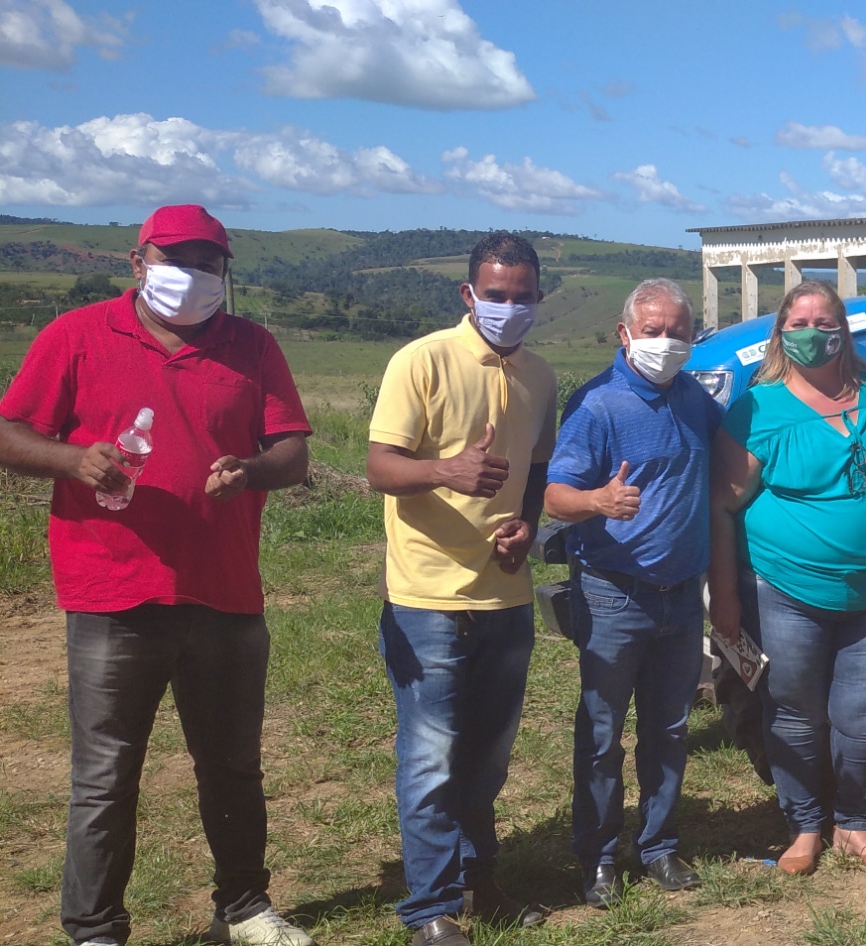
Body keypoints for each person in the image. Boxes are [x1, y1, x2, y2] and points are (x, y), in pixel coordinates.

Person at [0, 205, 316, 946]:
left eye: (209, 264)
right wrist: (71, 459)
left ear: (224, 273)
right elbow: (9, 430)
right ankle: (96, 928)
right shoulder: (77, 336)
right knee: (107, 775)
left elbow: (294, 453)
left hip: (226, 588)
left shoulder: (252, 345)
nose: (193, 276)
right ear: (137, 262)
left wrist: (251, 470)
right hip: (113, 590)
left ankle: (242, 906)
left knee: (232, 765)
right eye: (176, 259)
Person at [366, 233, 558, 946]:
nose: (509, 307)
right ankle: (430, 909)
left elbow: (535, 471)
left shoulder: (540, 376)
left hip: (505, 596)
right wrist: (445, 471)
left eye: (522, 296)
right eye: (496, 295)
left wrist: (527, 527)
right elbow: (381, 467)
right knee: (431, 755)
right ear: (468, 295)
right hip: (428, 597)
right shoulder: (420, 361)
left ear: (539, 297)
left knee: (488, 755)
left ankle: (480, 882)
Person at [708, 281, 866, 876]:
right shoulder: (759, 407)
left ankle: (855, 824)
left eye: (825, 321)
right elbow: (721, 505)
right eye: (798, 323)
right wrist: (724, 597)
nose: (812, 332)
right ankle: (804, 827)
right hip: (786, 587)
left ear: (844, 329)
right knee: (794, 708)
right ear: (781, 334)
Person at [545, 278, 719, 906]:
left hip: (680, 593)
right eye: (652, 331)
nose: (666, 343)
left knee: (669, 729)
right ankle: (597, 858)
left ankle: (660, 847)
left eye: (678, 331)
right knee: (601, 732)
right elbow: (556, 496)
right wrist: (598, 500)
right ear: (624, 334)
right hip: (615, 592)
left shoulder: (695, 398)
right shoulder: (596, 405)